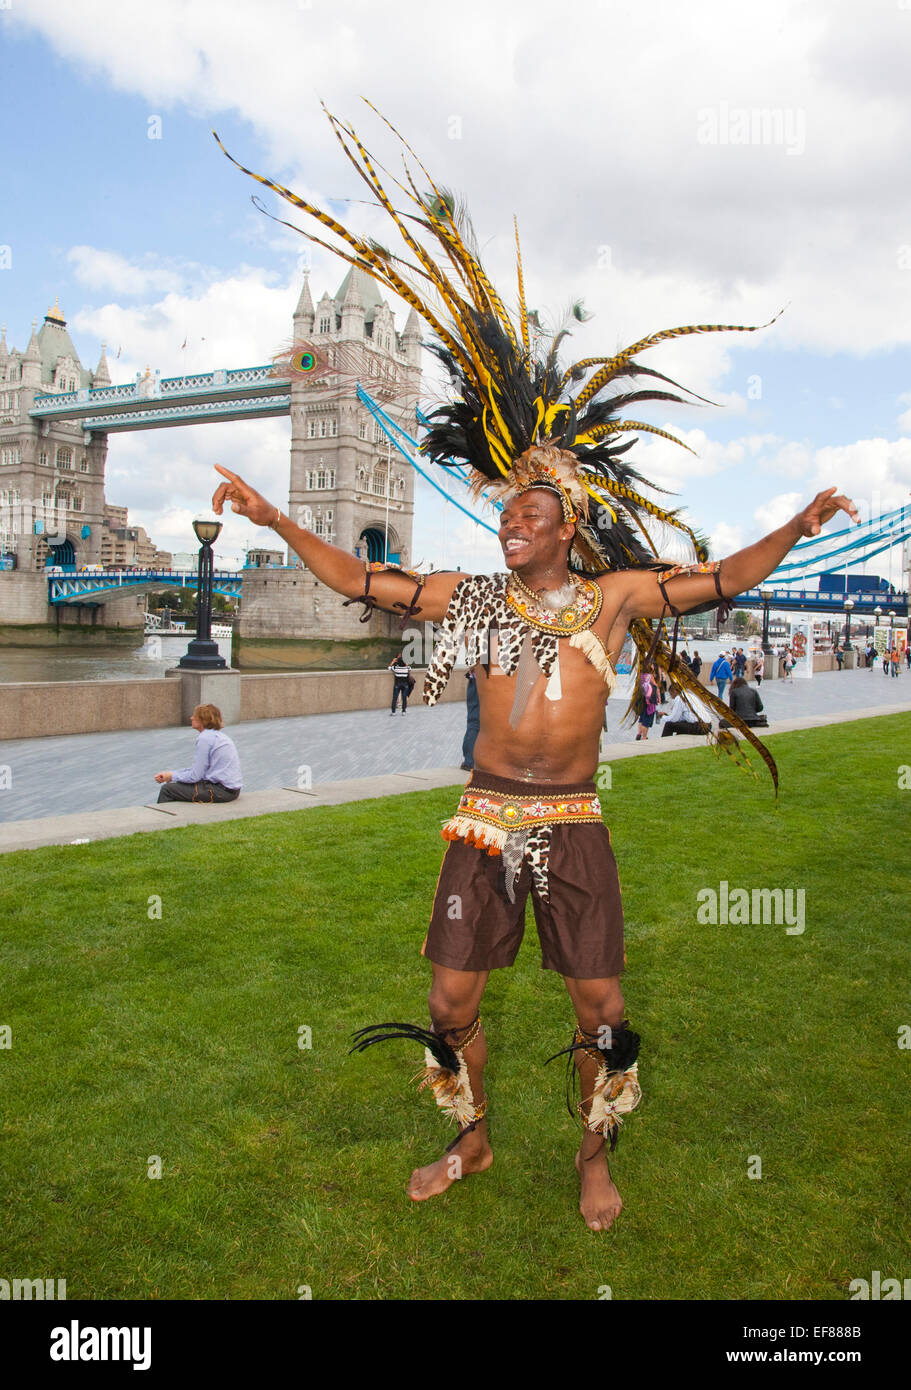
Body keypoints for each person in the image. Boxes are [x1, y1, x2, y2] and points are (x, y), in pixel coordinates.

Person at [213, 104, 860, 1232]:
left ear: (566, 528)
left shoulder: (611, 603)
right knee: (446, 996)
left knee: (598, 1001)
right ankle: (470, 1138)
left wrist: (798, 523)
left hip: (571, 819)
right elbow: (358, 585)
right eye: (505, 507)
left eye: (529, 509)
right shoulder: (469, 597)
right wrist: (273, 512)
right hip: (479, 819)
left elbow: (714, 582)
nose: (508, 519)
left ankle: (591, 1151)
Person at [154, 704, 242, 802]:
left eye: (194, 716)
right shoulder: (218, 736)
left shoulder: (205, 738)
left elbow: (195, 776)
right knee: (177, 786)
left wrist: (171, 776)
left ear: (203, 720)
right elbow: (198, 771)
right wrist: (171, 775)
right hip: (230, 790)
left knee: (167, 790)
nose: (191, 718)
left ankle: (165, 817)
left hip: (220, 791)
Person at [460, 668, 480, 770]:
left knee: (474, 721)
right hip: (481, 681)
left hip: (478, 680)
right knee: (476, 721)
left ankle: (469, 761)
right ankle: (470, 761)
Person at [635, 670, 659, 740]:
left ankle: (639, 734)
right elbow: (656, 688)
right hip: (649, 701)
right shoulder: (650, 676)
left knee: (642, 718)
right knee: (646, 720)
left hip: (642, 700)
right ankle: (644, 737)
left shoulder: (640, 675)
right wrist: (659, 698)